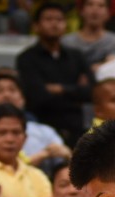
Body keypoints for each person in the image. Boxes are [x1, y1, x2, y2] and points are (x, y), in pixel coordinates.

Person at [15, 2, 93, 145]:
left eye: (59, 19)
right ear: (36, 26)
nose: (54, 24)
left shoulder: (76, 56)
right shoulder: (26, 58)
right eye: (49, 19)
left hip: (77, 131)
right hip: (41, 129)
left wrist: (59, 89)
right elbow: (38, 96)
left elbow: (91, 92)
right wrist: (75, 91)